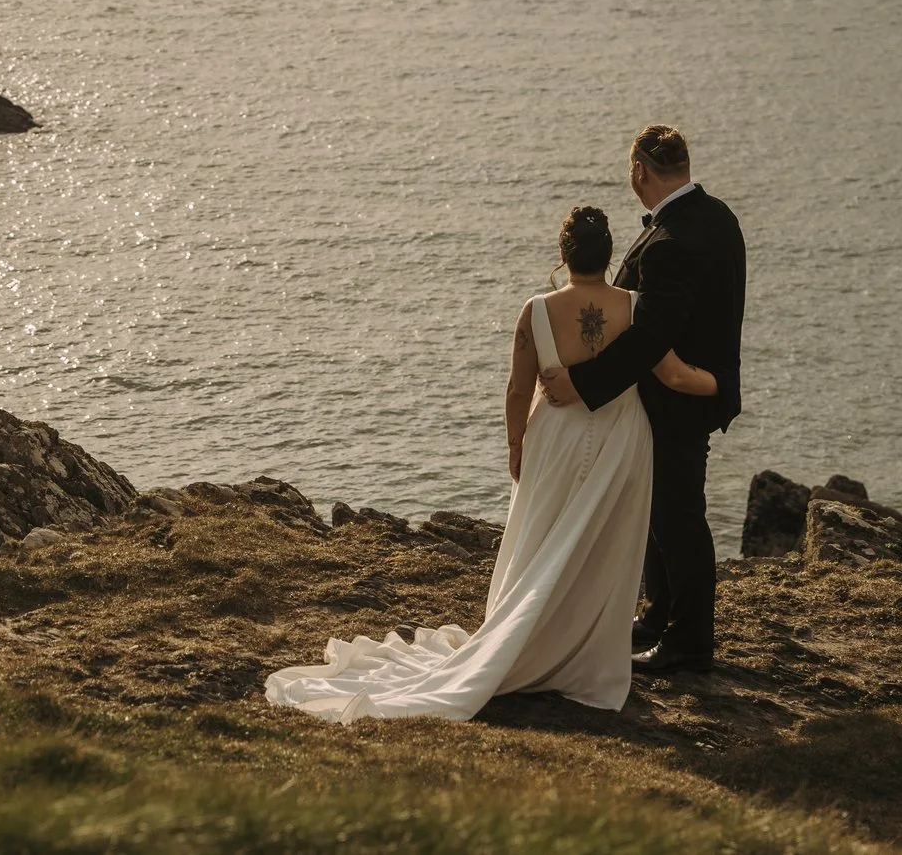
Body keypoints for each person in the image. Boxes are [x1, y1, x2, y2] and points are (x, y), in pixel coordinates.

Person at [263, 205, 712, 722]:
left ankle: (527, 637)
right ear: (609, 254)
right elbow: (671, 372)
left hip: (556, 439)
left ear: (564, 254)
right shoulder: (636, 306)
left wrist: (516, 444)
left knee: (541, 537)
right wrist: (721, 384)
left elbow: (519, 389)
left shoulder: (537, 311)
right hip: (622, 437)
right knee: (607, 546)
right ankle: (588, 655)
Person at [537, 125, 746, 676]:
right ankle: (659, 617)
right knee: (661, 512)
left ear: (639, 172)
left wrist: (580, 385)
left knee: (679, 517)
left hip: (678, 399)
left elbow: (651, 337)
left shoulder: (671, 244)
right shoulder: (720, 217)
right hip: (699, 388)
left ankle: (691, 642)